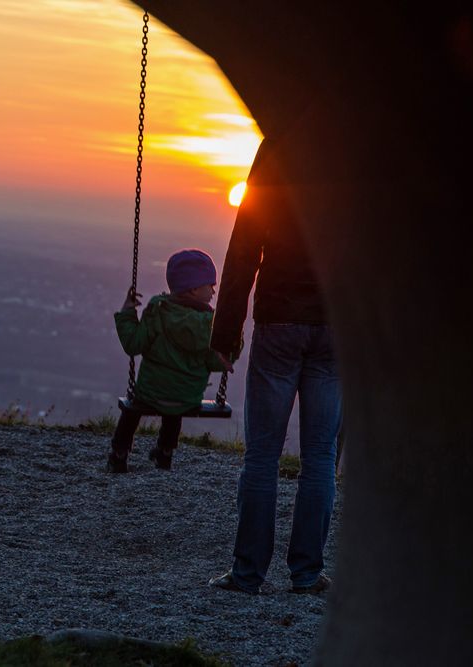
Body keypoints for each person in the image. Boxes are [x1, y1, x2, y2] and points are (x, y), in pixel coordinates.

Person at [207, 138, 342, 595]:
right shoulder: (363, 143)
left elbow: (246, 240)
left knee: (262, 456)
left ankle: (248, 575)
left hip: (280, 318)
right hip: (335, 324)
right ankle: (306, 574)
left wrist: (226, 332)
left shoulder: (280, 144)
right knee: (321, 456)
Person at [107, 248, 232, 473]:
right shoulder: (209, 325)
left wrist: (127, 313)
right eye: (210, 285)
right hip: (188, 397)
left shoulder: (158, 310)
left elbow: (133, 344)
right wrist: (231, 348)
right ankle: (165, 452)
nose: (214, 291)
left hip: (151, 394)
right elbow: (214, 363)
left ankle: (119, 453)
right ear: (194, 289)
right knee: (176, 400)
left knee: (133, 408)